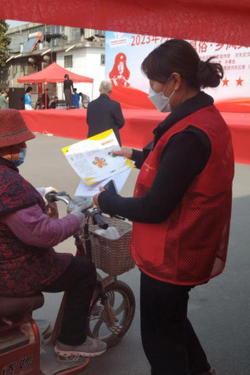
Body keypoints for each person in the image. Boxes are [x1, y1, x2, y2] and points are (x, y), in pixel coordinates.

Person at [93, 39, 234, 375]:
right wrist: (134, 155)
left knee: (159, 341)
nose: (152, 90)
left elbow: (156, 207)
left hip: (173, 252)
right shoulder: (204, 116)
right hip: (185, 244)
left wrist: (106, 200)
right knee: (173, 319)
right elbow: (175, 169)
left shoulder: (189, 134)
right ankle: (201, 369)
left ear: (174, 81)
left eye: (154, 83)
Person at [0, 109, 107, 358]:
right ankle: (71, 341)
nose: (25, 146)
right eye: (21, 142)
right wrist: (77, 217)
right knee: (83, 271)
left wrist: (39, 191)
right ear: (7, 145)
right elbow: (44, 234)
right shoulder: (8, 185)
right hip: (10, 272)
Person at [86, 80, 125, 145]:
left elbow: (88, 121)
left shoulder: (90, 104)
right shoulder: (115, 105)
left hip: (93, 141)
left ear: (99, 89)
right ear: (111, 91)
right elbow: (121, 123)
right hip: (110, 141)